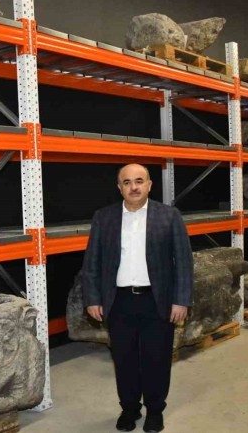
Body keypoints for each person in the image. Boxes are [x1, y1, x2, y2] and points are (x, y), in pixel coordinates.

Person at [80, 163, 193, 433]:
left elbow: (183, 262)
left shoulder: (169, 216)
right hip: (118, 302)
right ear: (119, 187)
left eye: (139, 181)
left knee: (157, 359)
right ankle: (129, 409)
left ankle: (155, 411)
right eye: (127, 182)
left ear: (149, 185)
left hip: (157, 301)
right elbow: (92, 262)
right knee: (124, 360)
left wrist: (181, 300)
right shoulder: (104, 217)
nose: (134, 187)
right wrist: (92, 298)